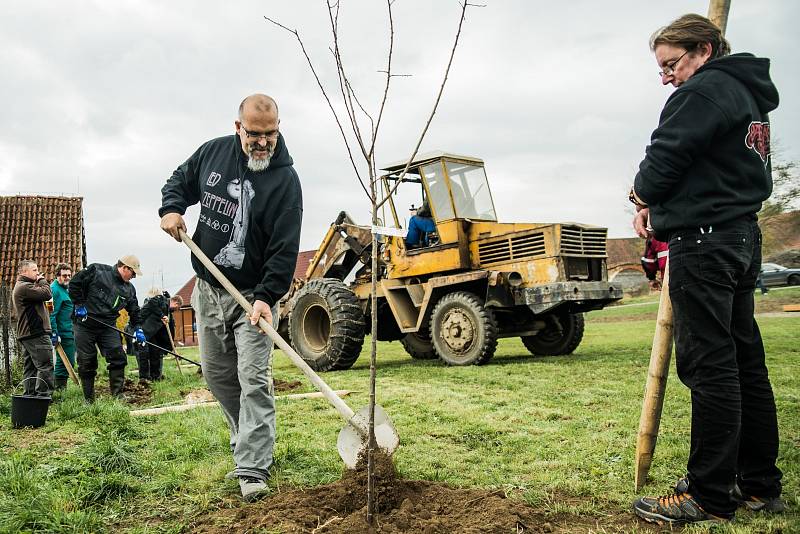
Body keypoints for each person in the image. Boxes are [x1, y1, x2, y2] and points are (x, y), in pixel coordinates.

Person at [629, 14, 783, 524]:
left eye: (673, 64)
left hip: (705, 241)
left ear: (705, 49)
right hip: (741, 234)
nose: (668, 76)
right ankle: (757, 484)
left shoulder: (704, 92)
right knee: (743, 362)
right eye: (662, 69)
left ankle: (709, 493)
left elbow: (665, 158)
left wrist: (642, 194)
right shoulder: (747, 95)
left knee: (709, 366)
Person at [159, 94, 302, 501]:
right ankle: (246, 442)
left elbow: (284, 248)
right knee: (219, 376)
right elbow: (179, 183)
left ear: (278, 128)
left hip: (253, 296)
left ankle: (253, 467)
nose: (262, 142)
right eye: (254, 134)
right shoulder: (212, 154)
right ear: (238, 126)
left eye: (270, 134)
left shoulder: (285, 182)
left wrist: (266, 297)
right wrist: (171, 209)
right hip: (207, 290)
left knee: (253, 378)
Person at [69, 256, 145, 402]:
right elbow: (75, 283)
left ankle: (117, 394)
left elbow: (134, 310)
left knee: (118, 356)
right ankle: (89, 399)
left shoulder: (129, 289)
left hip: (108, 326)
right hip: (85, 323)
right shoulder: (97, 270)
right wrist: (79, 305)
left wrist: (138, 328)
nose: (134, 276)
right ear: (124, 268)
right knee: (87, 361)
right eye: (133, 273)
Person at [12, 260, 54, 396]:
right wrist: (42, 281)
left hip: (29, 334)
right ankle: (42, 397)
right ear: (24, 272)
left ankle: (29, 397)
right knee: (45, 365)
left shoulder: (24, 286)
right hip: (35, 333)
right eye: (35, 270)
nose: (38, 273)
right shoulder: (25, 287)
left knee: (31, 368)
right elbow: (47, 293)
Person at [137, 289, 183, 383]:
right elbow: (152, 303)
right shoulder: (161, 299)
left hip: (151, 333)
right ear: (176, 303)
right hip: (142, 329)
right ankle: (144, 378)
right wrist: (162, 315)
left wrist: (171, 346)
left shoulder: (167, 308)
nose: (175, 310)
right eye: (177, 308)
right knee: (144, 354)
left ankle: (155, 377)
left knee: (155, 352)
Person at [49, 263, 75, 390]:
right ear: (57, 275)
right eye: (64, 275)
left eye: (69, 275)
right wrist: (54, 332)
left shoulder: (65, 289)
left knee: (69, 361)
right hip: (62, 333)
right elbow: (51, 313)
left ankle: (60, 389)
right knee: (65, 361)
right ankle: (59, 389)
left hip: (69, 331)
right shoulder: (54, 290)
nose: (67, 278)